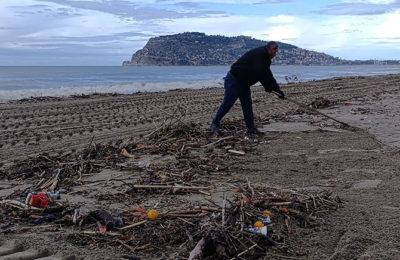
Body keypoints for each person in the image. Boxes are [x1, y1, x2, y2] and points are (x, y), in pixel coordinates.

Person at [211, 41, 285, 136]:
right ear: (271, 48)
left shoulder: (265, 58)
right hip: (234, 79)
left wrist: (278, 90)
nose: (275, 54)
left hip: (244, 83)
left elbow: (268, 75)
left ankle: (250, 129)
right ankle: (214, 123)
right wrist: (268, 87)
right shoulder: (260, 55)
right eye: (275, 51)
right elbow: (260, 73)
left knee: (247, 105)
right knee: (227, 103)